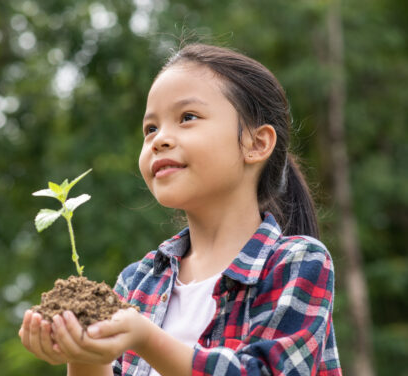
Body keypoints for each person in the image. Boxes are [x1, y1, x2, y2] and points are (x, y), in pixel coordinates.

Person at [19, 43, 342, 375]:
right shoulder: (137, 282)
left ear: (256, 143)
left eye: (187, 117)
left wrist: (146, 339)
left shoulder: (296, 262)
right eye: (150, 128)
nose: (160, 139)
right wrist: (85, 353)